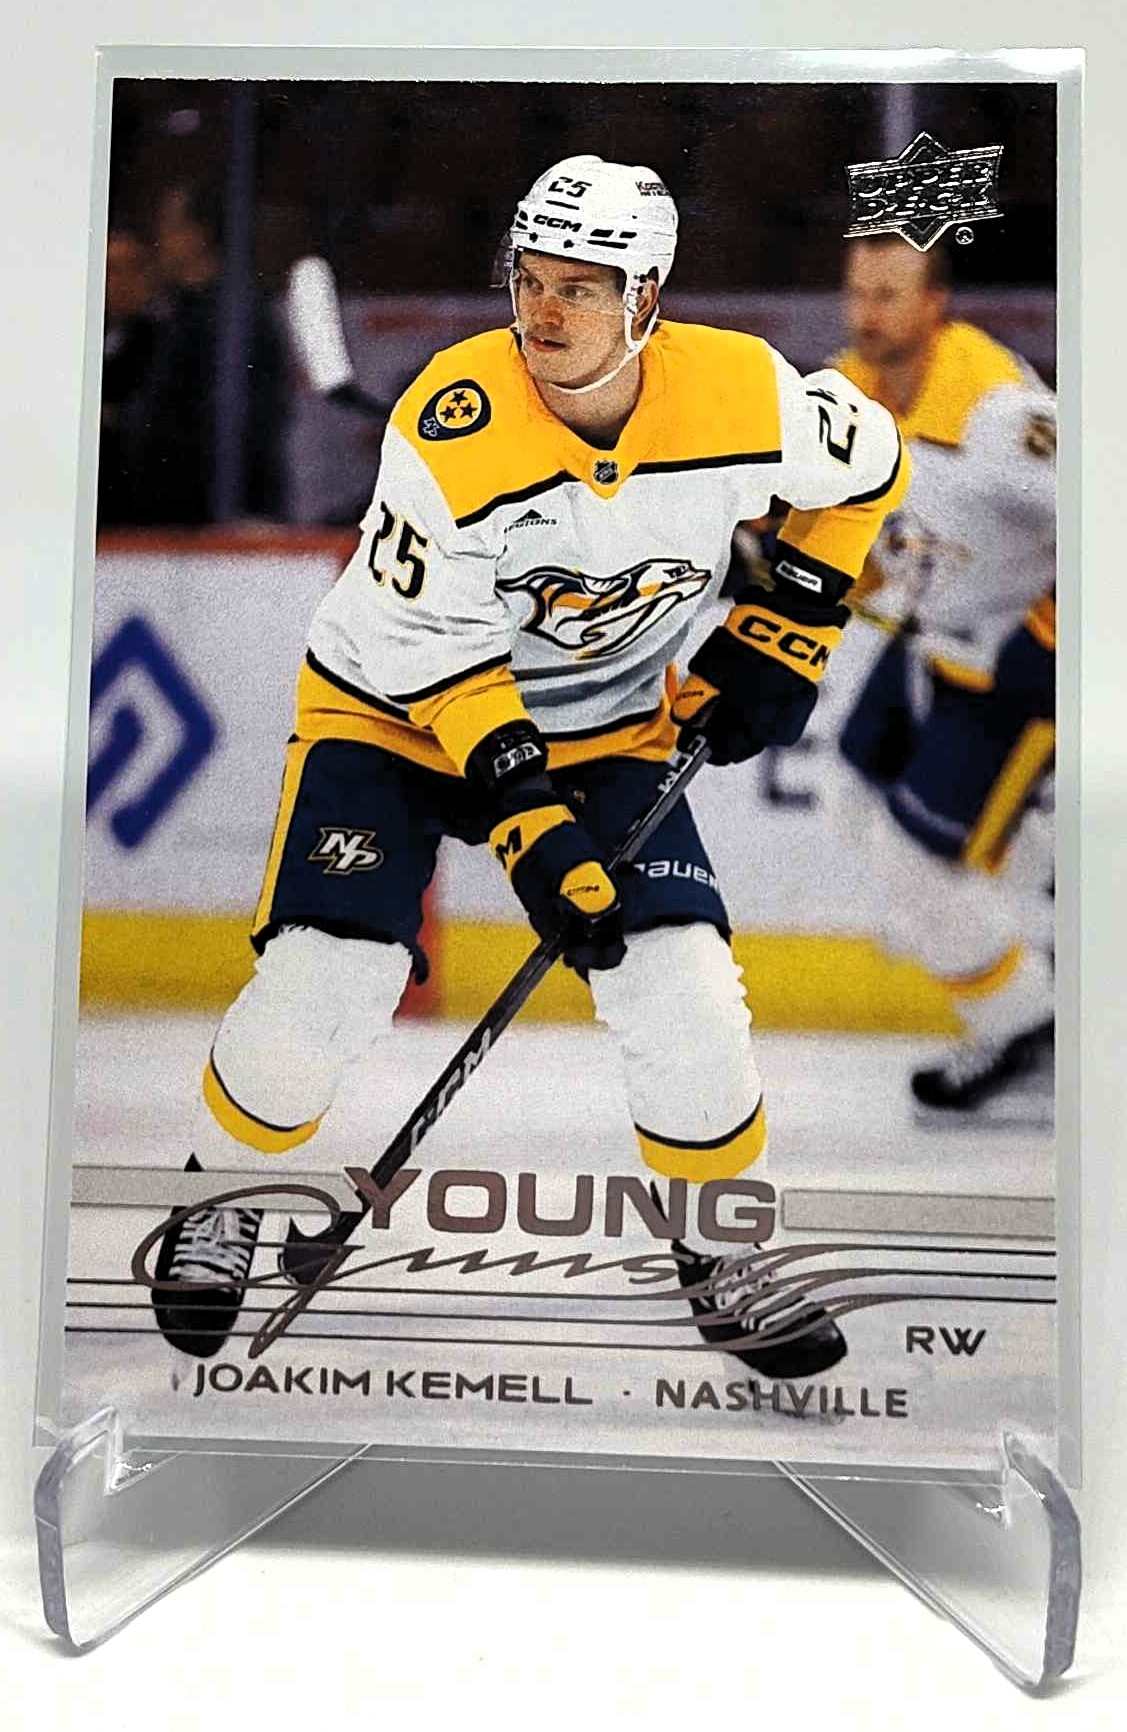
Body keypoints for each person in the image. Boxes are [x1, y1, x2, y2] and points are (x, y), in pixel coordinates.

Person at [150, 156, 907, 1379]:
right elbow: (438, 657)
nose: (543, 312)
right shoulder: (452, 422)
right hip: (392, 713)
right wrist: (531, 826)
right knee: (326, 979)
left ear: (646, 296)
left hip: (603, 726)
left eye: (580, 287)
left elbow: (868, 468)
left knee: (685, 990)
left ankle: (723, 1249)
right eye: (528, 279)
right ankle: (218, 1198)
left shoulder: (742, 392)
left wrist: (793, 624)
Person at [827, 235, 1055, 1118]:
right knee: (852, 801)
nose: (866, 314)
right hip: (929, 641)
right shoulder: (845, 391)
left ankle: (1028, 1025)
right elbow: (861, 539)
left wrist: (1048, 636)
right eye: (858, 293)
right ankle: (1039, 968)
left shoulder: (997, 412)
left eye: (888, 295)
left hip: (1014, 662)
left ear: (934, 303)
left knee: (911, 856)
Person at [120, 181, 289, 524]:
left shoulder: (234, 316)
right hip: (172, 514)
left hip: (217, 516)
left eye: (168, 226)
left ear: (198, 235)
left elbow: (244, 421)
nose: (159, 240)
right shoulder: (175, 312)